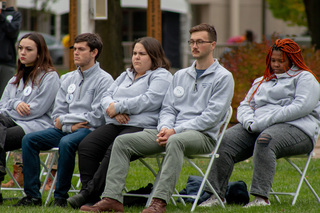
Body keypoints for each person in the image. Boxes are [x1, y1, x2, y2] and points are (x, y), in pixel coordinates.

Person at [80, 23, 235, 213]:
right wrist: (165, 128)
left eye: (200, 42)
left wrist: (175, 131)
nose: (194, 46)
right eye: (192, 41)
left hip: (202, 136)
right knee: (121, 142)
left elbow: (211, 117)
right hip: (168, 132)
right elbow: (168, 108)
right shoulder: (180, 75)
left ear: (212, 45)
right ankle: (112, 198)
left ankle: (158, 202)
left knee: (176, 141)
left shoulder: (223, 77)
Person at [199, 38, 320, 208]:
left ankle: (260, 198)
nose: (276, 64)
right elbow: (245, 106)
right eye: (273, 60)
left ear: (292, 60)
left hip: (298, 130)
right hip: (256, 127)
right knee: (224, 140)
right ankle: (215, 196)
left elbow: (300, 107)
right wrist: (249, 122)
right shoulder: (261, 81)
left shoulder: (305, 78)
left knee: (266, 140)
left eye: (281, 61)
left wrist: (262, 122)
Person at [67, 37, 173, 209]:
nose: (136, 57)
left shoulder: (162, 76)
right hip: (117, 123)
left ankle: (88, 193)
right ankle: (91, 197)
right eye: (134, 53)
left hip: (142, 126)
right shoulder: (126, 75)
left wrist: (119, 106)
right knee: (87, 145)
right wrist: (113, 109)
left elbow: (149, 100)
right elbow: (105, 96)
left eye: (142, 54)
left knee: (115, 146)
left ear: (154, 56)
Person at [13, 33, 114, 207]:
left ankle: (60, 197)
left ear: (94, 52)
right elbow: (56, 113)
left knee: (67, 142)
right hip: (68, 128)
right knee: (29, 139)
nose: (76, 53)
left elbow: (97, 116)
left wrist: (65, 121)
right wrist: (69, 124)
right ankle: (33, 196)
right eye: (74, 49)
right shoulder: (67, 78)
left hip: (89, 131)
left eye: (81, 49)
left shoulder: (105, 80)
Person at [0, 32, 60, 202]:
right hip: (11, 122)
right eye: (20, 48)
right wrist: (15, 104)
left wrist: (13, 106)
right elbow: (2, 106)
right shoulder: (15, 78)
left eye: (28, 49)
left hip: (35, 126)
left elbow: (35, 110)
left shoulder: (50, 77)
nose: (22, 52)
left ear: (40, 53)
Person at [0, 0, 22, 96]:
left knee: (5, 95)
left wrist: (1, 17)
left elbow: (13, 32)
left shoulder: (15, 15)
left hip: (7, 62)